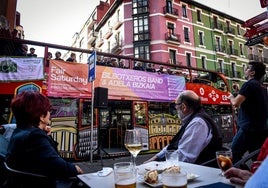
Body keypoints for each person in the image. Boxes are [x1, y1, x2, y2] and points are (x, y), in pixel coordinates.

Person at [5, 91, 83, 187]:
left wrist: (47, 134)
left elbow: (50, 156)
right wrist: (75, 168)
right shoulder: (34, 136)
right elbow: (57, 165)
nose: (50, 113)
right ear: (41, 116)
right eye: (48, 110)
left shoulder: (19, 131)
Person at [144, 90, 222, 165]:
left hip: (196, 172)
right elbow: (174, 145)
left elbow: (184, 157)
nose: (175, 108)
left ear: (183, 107)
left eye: (176, 105)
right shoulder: (191, 120)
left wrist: (158, 166)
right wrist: (155, 158)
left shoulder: (197, 123)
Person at [229, 61, 268, 163]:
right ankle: (253, 177)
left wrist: (231, 97)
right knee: (256, 159)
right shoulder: (262, 87)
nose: (245, 70)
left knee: (234, 153)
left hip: (248, 128)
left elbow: (236, 103)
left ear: (252, 73)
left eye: (247, 68)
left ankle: (242, 175)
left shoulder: (248, 85)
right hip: (261, 129)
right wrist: (239, 91)